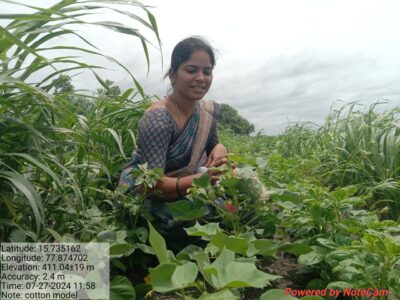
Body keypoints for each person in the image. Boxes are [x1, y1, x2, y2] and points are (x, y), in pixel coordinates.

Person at [119, 36, 228, 232]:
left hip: (184, 185)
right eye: (191, 70)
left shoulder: (205, 113)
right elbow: (151, 185)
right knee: (197, 215)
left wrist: (220, 149)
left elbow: (214, 144)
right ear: (173, 75)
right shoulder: (159, 118)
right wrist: (200, 181)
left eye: (207, 71)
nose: (201, 78)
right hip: (147, 193)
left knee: (229, 202)